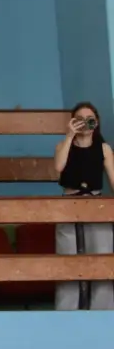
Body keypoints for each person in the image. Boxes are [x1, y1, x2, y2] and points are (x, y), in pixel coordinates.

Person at [53, 101, 114, 309]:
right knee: (68, 262)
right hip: (69, 204)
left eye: (90, 120)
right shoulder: (63, 146)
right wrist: (70, 135)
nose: (85, 124)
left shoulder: (104, 149)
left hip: (96, 206)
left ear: (97, 122)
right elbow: (58, 167)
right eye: (80, 120)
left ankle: (103, 313)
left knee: (102, 260)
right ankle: (67, 314)